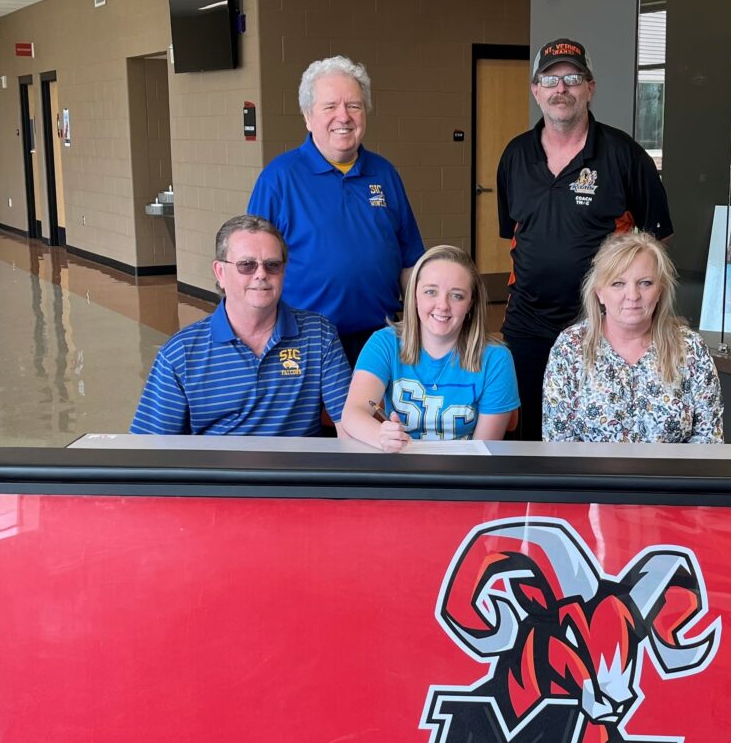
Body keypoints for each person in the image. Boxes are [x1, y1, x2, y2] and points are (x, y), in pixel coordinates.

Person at [497, 37, 673, 440]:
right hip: (527, 326)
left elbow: (655, 245)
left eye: (573, 78)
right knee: (525, 435)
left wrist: (627, 302)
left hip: (600, 326)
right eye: (550, 79)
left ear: (590, 87)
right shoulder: (515, 156)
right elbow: (515, 236)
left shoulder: (625, 156)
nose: (561, 88)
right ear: (536, 90)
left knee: (595, 435)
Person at [247, 55, 424, 365]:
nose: (343, 116)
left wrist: (421, 327)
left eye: (353, 105)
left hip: (380, 339)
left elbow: (410, 262)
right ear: (307, 116)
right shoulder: (278, 178)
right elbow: (251, 269)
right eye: (330, 107)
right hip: (303, 342)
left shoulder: (384, 174)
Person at [130, 214, 351, 436]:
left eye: (272, 265)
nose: (261, 274)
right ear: (220, 273)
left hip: (297, 460)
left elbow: (349, 423)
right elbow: (151, 445)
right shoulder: (181, 354)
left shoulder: (318, 334)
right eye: (247, 265)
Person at [542, 231, 722, 444]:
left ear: (660, 290)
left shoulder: (691, 348)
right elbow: (559, 442)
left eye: (645, 283)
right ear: (599, 292)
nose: (633, 295)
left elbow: (708, 440)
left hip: (674, 468)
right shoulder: (570, 348)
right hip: (590, 468)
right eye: (618, 283)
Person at [340, 245, 519, 452]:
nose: (442, 305)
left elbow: (482, 452)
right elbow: (353, 413)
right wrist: (381, 436)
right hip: (397, 465)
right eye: (430, 292)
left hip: (465, 469)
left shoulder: (497, 359)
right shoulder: (384, 343)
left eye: (457, 295)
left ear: (471, 303)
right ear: (414, 295)